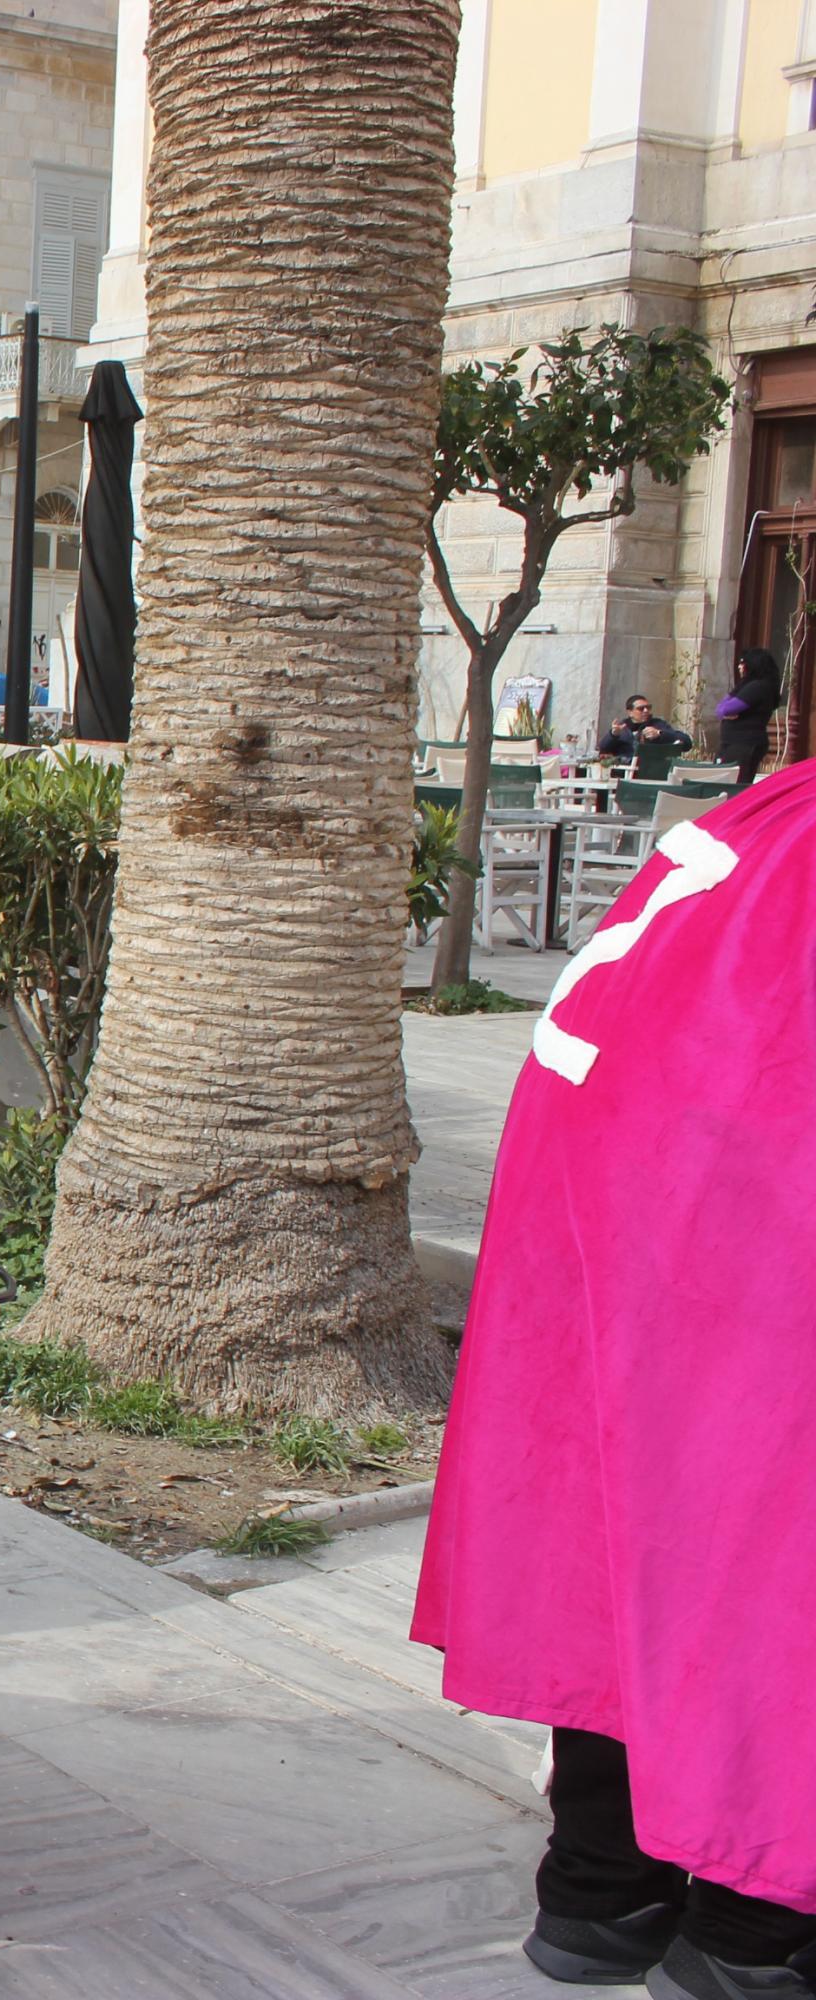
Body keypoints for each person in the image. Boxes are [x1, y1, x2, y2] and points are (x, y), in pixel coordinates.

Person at [412, 759, 816, 1999]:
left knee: (623, 1517)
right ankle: (756, 1922)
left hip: (622, 1193)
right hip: (749, 1197)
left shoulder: (758, 824)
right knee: (766, 1543)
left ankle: (603, 1881)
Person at [719, 646, 784, 788]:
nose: (739, 667)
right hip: (738, 743)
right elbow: (721, 710)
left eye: (743, 663)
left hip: (744, 744)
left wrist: (727, 710)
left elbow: (725, 709)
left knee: (734, 787)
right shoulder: (754, 685)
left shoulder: (757, 687)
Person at [607, 693, 693, 765]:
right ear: (630, 712)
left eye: (648, 707)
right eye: (641, 709)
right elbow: (603, 749)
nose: (646, 710)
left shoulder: (658, 724)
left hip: (654, 770)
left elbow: (687, 742)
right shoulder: (622, 728)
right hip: (625, 771)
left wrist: (660, 734)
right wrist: (613, 735)